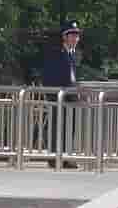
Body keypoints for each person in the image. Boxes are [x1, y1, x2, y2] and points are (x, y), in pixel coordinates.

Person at [42, 21, 82, 168]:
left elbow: (73, 77)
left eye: (76, 36)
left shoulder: (73, 54)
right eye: (71, 35)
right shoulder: (56, 54)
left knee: (69, 128)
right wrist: (53, 95)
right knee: (57, 127)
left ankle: (65, 157)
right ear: (64, 37)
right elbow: (49, 76)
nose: (75, 39)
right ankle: (55, 158)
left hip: (70, 97)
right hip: (58, 97)